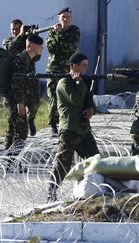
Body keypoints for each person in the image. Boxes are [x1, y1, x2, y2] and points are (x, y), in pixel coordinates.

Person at [47, 53, 99, 202]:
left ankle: (88, 189)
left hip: (83, 129)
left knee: (95, 160)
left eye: (86, 65)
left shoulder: (83, 82)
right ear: (73, 66)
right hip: (69, 129)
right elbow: (75, 99)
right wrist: (79, 83)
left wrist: (91, 110)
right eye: (83, 65)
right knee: (63, 163)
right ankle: (51, 192)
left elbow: (88, 102)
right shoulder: (64, 83)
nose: (86, 68)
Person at [4, 34, 43, 152]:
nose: (42, 48)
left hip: (19, 101)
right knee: (20, 132)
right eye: (39, 46)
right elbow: (17, 82)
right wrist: (20, 103)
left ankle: (9, 161)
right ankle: (14, 160)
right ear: (30, 46)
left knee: (13, 131)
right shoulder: (22, 59)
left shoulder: (29, 60)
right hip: (16, 102)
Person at [46, 7, 81, 135]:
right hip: (54, 69)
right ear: (58, 18)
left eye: (68, 17)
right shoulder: (51, 32)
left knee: (68, 97)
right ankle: (53, 123)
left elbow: (70, 48)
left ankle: (67, 121)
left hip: (68, 69)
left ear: (71, 18)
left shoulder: (74, 31)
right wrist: (57, 36)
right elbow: (51, 49)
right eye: (63, 17)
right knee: (53, 97)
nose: (65, 19)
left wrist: (59, 35)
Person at [3, 19, 39, 135]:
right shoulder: (8, 40)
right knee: (15, 118)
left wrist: (32, 38)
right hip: (14, 82)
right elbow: (10, 49)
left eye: (17, 29)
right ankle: (12, 147)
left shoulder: (26, 41)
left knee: (34, 103)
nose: (15, 31)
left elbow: (36, 57)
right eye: (13, 29)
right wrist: (20, 35)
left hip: (29, 80)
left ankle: (31, 119)